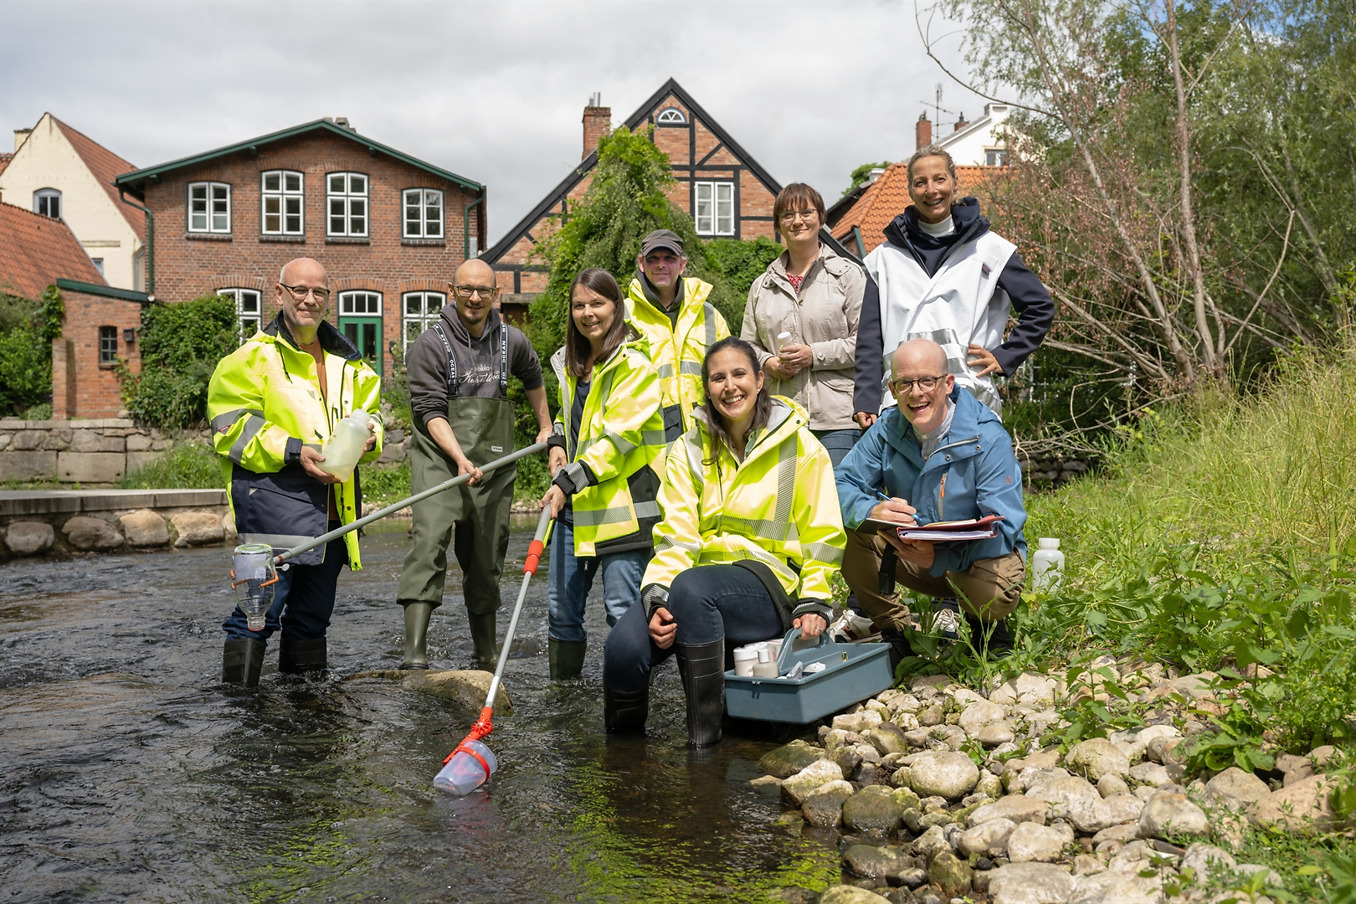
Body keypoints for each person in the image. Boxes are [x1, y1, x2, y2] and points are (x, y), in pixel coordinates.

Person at [602, 337, 846, 747]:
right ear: (707, 387)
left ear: (760, 379)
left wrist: (816, 600)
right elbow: (675, 535)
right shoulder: (687, 449)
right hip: (695, 585)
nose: (729, 386)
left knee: (695, 591)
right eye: (718, 378)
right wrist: (658, 598)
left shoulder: (802, 446)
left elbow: (823, 534)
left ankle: (704, 750)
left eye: (739, 374)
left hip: (772, 585)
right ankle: (623, 763)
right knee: (623, 649)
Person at [208, 257, 383, 686]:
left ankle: (305, 711)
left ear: (328, 298)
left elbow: (371, 421)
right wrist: (293, 450)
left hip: (335, 515)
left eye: (318, 292)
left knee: (311, 620)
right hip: (274, 512)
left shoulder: (353, 366)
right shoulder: (250, 358)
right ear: (280, 293)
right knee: (256, 615)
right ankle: (241, 711)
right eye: (299, 290)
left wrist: (372, 439)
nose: (309, 299)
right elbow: (229, 429)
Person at [396, 259, 553, 669]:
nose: (474, 298)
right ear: (452, 291)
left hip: (494, 467)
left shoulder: (511, 340)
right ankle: (414, 655)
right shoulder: (428, 344)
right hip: (439, 463)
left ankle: (485, 655)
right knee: (429, 548)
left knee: (486, 561)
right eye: (466, 289)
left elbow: (533, 377)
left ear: (495, 294)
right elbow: (430, 413)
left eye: (483, 290)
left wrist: (545, 427)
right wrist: (460, 459)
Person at [837, 338, 1027, 660]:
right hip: (912, 551)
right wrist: (872, 508)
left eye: (927, 380)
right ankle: (896, 633)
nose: (916, 393)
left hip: (975, 559)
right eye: (905, 383)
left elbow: (1004, 528)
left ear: (948, 383)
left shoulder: (987, 436)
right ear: (893, 389)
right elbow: (841, 482)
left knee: (995, 593)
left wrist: (940, 558)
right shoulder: (887, 428)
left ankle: (986, 627)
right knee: (848, 531)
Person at [853, 145, 1054, 427]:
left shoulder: (989, 249)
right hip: (902, 405)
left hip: (969, 400)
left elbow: (1040, 307)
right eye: (920, 183)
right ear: (910, 190)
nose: (931, 190)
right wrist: (865, 398)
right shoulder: (883, 259)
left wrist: (1006, 356)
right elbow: (869, 339)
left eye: (939, 179)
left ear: (954, 183)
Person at [540, 269, 666, 680]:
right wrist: (557, 442)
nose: (588, 313)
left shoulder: (636, 366)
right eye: (579, 305)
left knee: (621, 613)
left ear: (616, 306)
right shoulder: (568, 362)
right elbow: (567, 418)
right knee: (561, 613)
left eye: (597, 303)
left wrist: (565, 481)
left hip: (622, 510)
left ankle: (628, 697)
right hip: (574, 505)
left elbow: (619, 440)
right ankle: (564, 702)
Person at [741, 183, 867, 468]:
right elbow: (747, 346)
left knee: (837, 505)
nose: (797, 221)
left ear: (820, 218)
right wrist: (768, 362)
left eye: (806, 212)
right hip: (778, 416)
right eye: (787, 215)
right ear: (778, 225)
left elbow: (866, 343)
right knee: (784, 508)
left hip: (836, 419)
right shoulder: (762, 286)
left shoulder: (848, 276)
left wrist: (814, 354)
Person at [625, 228, 730, 441]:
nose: (661, 264)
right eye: (653, 259)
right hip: (647, 440)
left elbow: (731, 373)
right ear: (641, 264)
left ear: (682, 265)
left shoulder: (709, 314)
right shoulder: (623, 316)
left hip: (707, 435)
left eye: (669, 258)